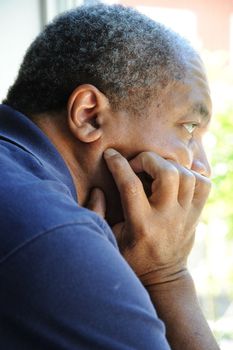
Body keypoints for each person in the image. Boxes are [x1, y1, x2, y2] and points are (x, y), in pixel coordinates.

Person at [0, 4, 219, 349]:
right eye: (188, 127)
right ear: (89, 116)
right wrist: (167, 276)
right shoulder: (58, 235)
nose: (201, 167)